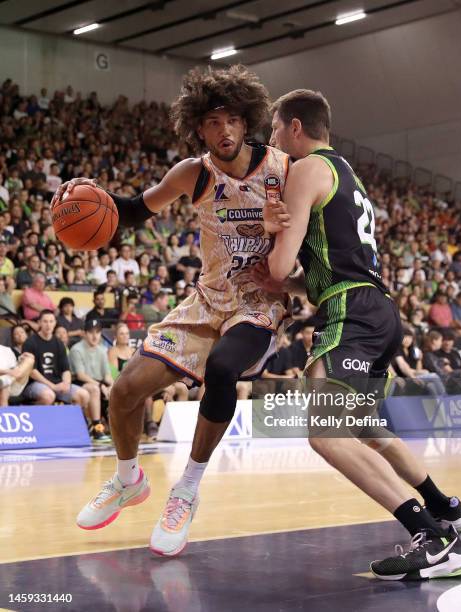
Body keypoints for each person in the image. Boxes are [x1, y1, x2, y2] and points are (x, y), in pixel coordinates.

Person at [53, 65, 291, 556]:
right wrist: (86, 195)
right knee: (124, 391)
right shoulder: (193, 173)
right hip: (205, 301)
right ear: (197, 128)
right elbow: (133, 211)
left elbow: (308, 239)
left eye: (230, 120)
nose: (222, 130)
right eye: (210, 122)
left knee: (225, 368)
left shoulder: (282, 169)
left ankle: (186, 489)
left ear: (247, 123)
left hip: (258, 302)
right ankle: (127, 480)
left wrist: (281, 246)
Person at [261, 89, 461, 580]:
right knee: (367, 431)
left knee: (326, 435)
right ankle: (447, 508)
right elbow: (316, 270)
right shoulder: (346, 172)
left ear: (296, 127)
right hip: (375, 309)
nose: (271, 138)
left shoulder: (304, 169)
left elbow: (277, 266)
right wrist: (295, 283)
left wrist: (272, 234)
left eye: (275, 128)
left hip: (350, 313)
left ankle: (437, 538)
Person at [23, 310, 90, 409]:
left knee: (84, 395)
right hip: (34, 384)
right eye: (45, 321)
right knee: (49, 396)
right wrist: (53, 386)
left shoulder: (59, 343)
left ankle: (69, 422)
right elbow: (32, 372)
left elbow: (65, 369)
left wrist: (66, 384)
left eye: (51, 321)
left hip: (57, 383)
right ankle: (31, 415)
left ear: (55, 323)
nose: (48, 325)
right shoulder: (30, 342)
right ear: (39, 323)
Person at [108, 322, 158, 439]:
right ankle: (148, 424)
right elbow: (114, 374)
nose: (125, 336)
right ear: (116, 337)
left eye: (127, 333)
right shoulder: (113, 351)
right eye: (121, 334)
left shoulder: (134, 351)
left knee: (146, 390)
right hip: (121, 383)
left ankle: (150, 422)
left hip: (136, 383)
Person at [69, 319, 112, 442]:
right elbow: (81, 375)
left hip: (98, 382)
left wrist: (113, 386)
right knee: (94, 389)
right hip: (80, 382)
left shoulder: (102, 350)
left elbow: (107, 375)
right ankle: (97, 427)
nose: (95, 336)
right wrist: (100, 386)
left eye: (97, 332)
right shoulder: (76, 349)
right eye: (91, 332)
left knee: (115, 390)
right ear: (84, 333)